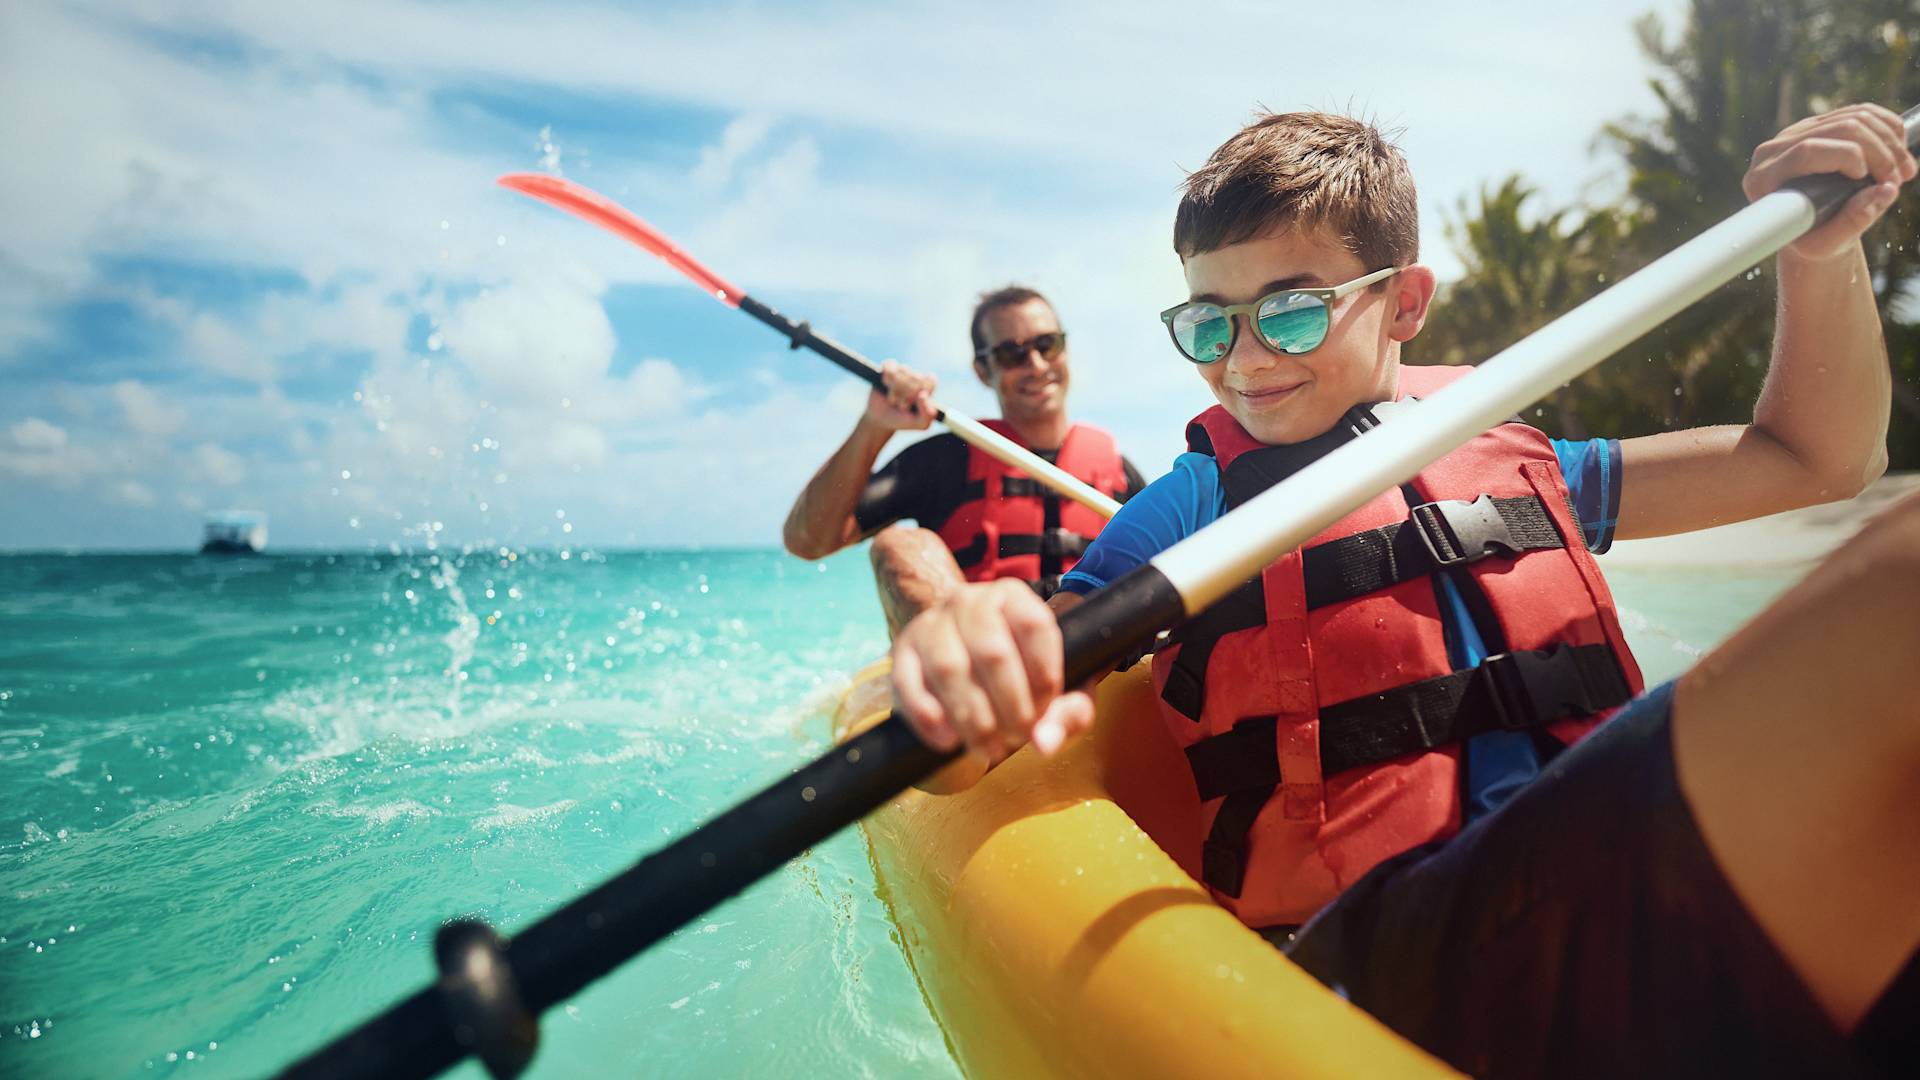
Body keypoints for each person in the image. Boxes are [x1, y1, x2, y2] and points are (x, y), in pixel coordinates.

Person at [885, 103, 1917, 1075]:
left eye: (1288, 314)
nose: (1243, 360)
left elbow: (1814, 456)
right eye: (1209, 324)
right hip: (1395, 957)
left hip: (1602, 884)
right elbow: (967, 751)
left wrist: (1817, 258)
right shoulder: (1195, 505)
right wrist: (960, 648)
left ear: (1404, 302)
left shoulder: (1513, 452)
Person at [782, 286, 1145, 634]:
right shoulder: (945, 459)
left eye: (1047, 345)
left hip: (1097, 658)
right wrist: (873, 427)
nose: (1035, 364)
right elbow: (808, 540)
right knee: (901, 545)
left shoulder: (1118, 473)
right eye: (1011, 354)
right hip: (974, 662)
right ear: (983, 371)